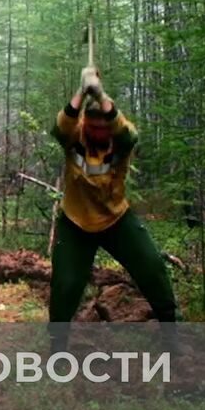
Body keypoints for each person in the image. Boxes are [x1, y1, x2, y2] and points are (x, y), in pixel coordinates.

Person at [48, 64, 180, 352]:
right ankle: (57, 347)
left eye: (102, 128)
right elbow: (60, 127)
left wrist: (102, 94)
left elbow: (129, 134)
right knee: (65, 284)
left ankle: (172, 336)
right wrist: (81, 92)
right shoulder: (75, 136)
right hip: (76, 221)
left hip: (116, 218)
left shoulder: (121, 139)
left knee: (152, 267)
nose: (97, 133)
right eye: (91, 127)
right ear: (85, 123)